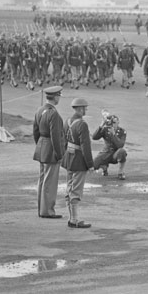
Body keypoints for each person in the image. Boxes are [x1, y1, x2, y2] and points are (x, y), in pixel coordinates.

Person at [33, 85, 65, 218]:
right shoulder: (54, 114)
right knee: (50, 183)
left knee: (42, 181)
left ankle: (42, 209)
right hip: (50, 150)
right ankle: (47, 211)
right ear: (56, 97)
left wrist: (40, 145)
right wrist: (59, 154)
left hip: (41, 147)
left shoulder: (40, 110)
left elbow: (35, 132)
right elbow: (56, 137)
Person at [62, 96, 95, 228]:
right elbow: (85, 146)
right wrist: (90, 164)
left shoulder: (67, 121)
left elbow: (63, 141)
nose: (85, 110)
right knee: (76, 190)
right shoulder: (82, 124)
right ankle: (74, 220)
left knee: (70, 188)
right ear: (81, 109)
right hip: (79, 160)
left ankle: (72, 218)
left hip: (69, 158)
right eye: (85, 108)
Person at [93, 110, 127, 179]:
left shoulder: (122, 131)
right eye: (111, 123)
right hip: (106, 152)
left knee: (122, 151)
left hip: (116, 154)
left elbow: (120, 145)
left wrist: (114, 134)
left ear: (118, 122)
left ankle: (121, 171)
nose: (113, 125)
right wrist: (101, 126)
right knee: (93, 165)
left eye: (114, 123)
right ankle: (104, 167)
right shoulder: (106, 129)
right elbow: (94, 137)